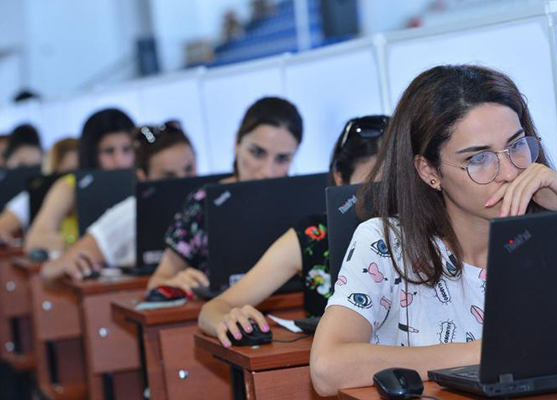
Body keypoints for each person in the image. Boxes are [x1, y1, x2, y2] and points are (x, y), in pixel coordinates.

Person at [309, 65, 557, 396]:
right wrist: (484, 353)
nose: (509, 172)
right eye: (479, 158)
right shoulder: (386, 243)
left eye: (516, 145)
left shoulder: (553, 236)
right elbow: (328, 369)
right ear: (429, 171)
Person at [198, 115, 388, 346]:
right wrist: (228, 320)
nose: (387, 202)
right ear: (340, 178)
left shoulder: (426, 231)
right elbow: (214, 308)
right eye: (373, 190)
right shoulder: (315, 236)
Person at [147, 97, 302, 293]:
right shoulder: (203, 203)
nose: (267, 171)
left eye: (282, 159)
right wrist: (176, 282)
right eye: (257, 153)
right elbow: (157, 282)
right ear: (237, 143)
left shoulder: (304, 205)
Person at [40, 122, 197, 282]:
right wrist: (73, 259)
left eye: (189, 169)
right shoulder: (130, 214)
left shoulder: (206, 202)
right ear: (143, 177)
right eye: (169, 176)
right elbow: (50, 270)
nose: (183, 182)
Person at [24, 108, 135, 253]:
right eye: (108, 151)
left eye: (127, 149)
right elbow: (35, 239)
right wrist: (84, 246)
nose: (119, 160)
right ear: (91, 153)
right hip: (83, 263)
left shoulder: (142, 180)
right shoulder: (69, 186)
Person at [0, 137, 79, 244]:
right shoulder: (34, 196)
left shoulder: (93, 195)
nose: (72, 180)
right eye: (67, 173)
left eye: (80, 171)